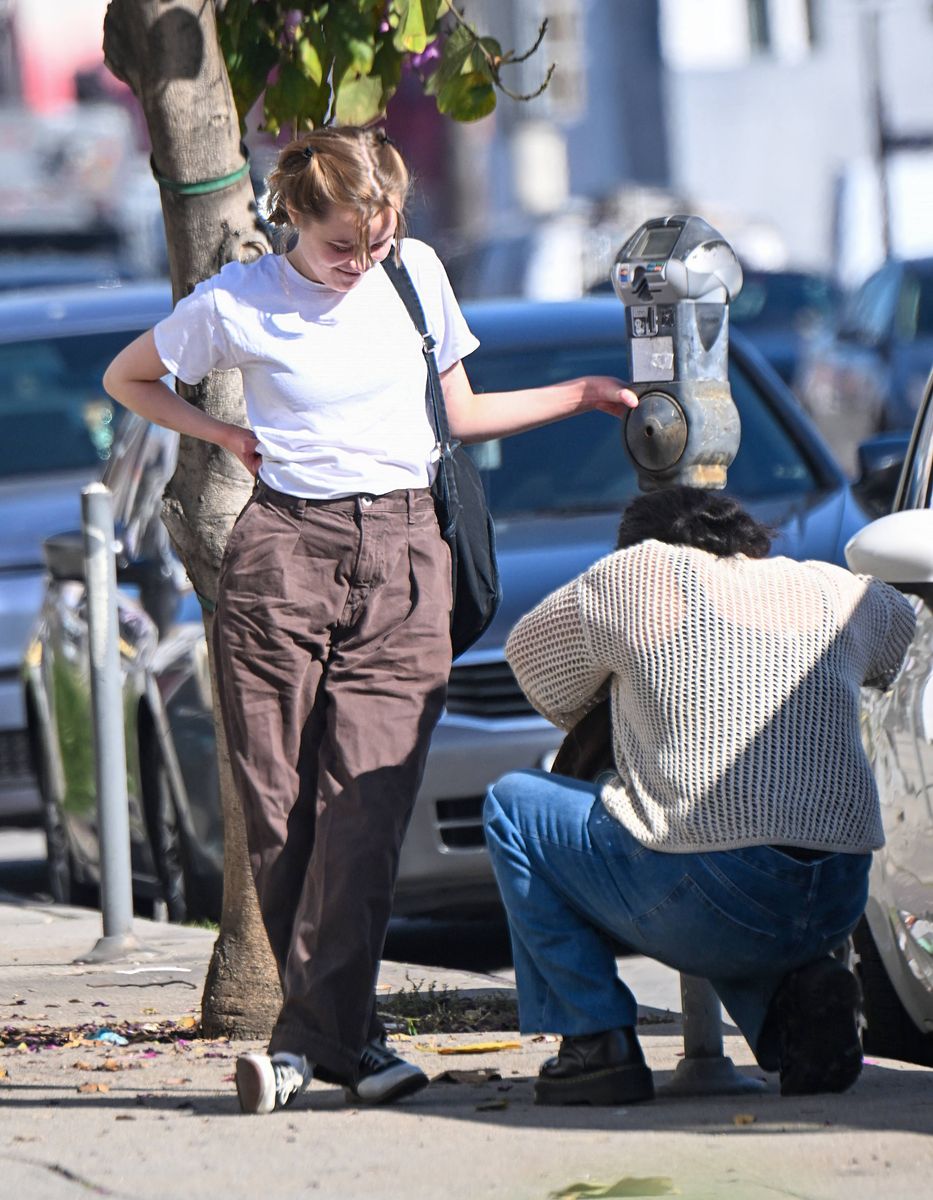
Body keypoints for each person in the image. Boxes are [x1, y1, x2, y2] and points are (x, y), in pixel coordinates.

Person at [102, 125, 638, 1115]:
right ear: (294, 219)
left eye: (379, 240)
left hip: (402, 556)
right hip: (280, 557)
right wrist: (223, 433)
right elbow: (127, 378)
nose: (362, 262)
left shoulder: (414, 277)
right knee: (277, 802)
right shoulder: (236, 301)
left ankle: (312, 1042)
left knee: (368, 800)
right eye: (343, 245)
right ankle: (351, 1043)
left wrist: (579, 394)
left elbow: (460, 412)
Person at [483, 485, 917, 1105]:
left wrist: (628, 681)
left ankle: (594, 1042)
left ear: (641, 542)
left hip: (714, 894)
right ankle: (796, 1016)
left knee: (515, 806)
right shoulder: (826, 585)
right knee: (716, 837)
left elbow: (533, 665)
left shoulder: (642, 573)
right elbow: (898, 637)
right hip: (837, 893)